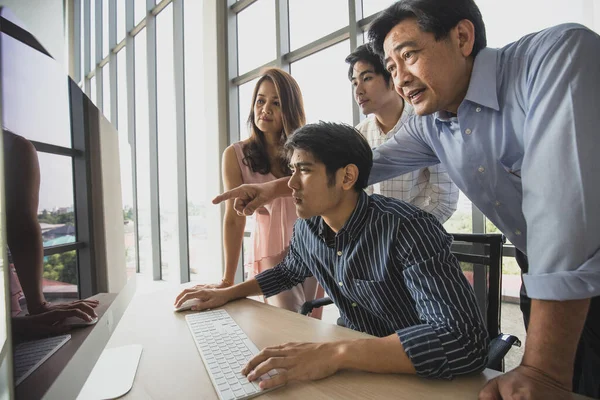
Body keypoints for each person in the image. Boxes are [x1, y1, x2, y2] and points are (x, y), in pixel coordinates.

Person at [212, 1, 600, 398]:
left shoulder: (555, 59)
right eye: (392, 67)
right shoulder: (431, 123)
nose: (400, 80)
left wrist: (542, 370)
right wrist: (268, 190)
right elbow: (365, 164)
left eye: (409, 55)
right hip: (538, 268)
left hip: (578, 259)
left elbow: (565, 219)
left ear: (462, 37)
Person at [176, 122, 488, 387]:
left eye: (305, 171)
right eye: (292, 171)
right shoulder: (307, 228)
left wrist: (336, 354)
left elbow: (464, 342)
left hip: (416, 375)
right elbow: (288, 271)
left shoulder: (409, 229)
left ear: (347, 177)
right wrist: (228, 292)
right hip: (354, 367)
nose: (292, 184)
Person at [191, 68, 323, 317]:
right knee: (287, 322)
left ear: (291, 109)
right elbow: (233, 217)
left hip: (312, 247)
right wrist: (228, 279)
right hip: (270, 251)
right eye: (260, 101)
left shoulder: (306, 150)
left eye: (276, 103)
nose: (265, 109)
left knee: (312, 323)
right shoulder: (236, 155)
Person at [347, 43, 458, 223]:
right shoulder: (358, 134)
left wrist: (403, 233)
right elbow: (359, 195)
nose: (359, 91)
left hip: (420, 237)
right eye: (354, 83)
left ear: (392, 78)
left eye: (366, 78)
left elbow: (444, 198)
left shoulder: (427, 123)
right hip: (374, 239)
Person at [3, 130, 98, 336]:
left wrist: (35, 310)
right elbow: (22, 230)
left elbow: (23, 230)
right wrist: (36, 308)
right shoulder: (13, 148)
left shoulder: (14, 148)